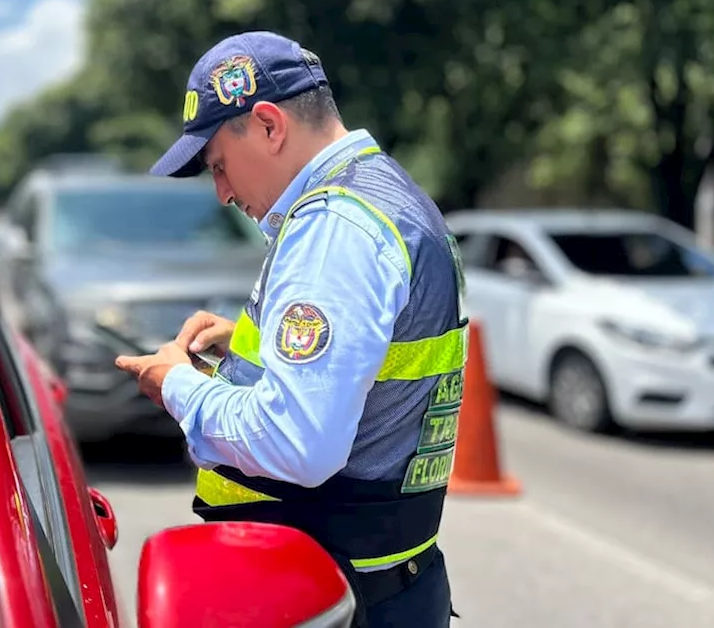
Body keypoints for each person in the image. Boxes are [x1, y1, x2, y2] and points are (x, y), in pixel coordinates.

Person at [114, 31, 468, 627]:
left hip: (328, 594)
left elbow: (295, 442)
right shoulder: (385, 194)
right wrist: (250, 344)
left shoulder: (336, 226)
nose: (223, 193)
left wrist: (177, 384)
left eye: (220, 166)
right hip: (379, 583)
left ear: (270, 126)